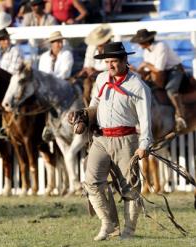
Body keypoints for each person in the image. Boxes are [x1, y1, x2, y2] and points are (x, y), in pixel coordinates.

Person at [72, 42, 152, 241]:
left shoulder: (138, 86)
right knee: (91, 182)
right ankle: (108, 225)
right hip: (101, 138)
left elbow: (145, 118)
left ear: (125, 61)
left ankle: (129, 231)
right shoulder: (101, 79)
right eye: (107, 62)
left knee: (130, 187)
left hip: (126, 140)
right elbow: (95, 104)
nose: (110, 66)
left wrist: (145, 144)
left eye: (114, 61)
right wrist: (84, 115)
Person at [130, 29, 187, 131]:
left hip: (174, 70)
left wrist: (145, 65)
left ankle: (180, 117)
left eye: (140, 42)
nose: (138, 44)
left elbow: (159, 69)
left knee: (171, 90)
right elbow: (149, 69)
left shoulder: (161, 46)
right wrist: (137, 69)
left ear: (146, 41)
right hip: (161, 72)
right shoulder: (146, 51)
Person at [77, 24, 112, 105]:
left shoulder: (111, 47)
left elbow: (110, 66)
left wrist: (93, 70)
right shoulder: (92, 47)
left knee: (93, 88)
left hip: (108, 75)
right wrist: (88, 69)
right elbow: (88, 62)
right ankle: (88, 107)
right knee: (86, 86)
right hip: (93, 74)